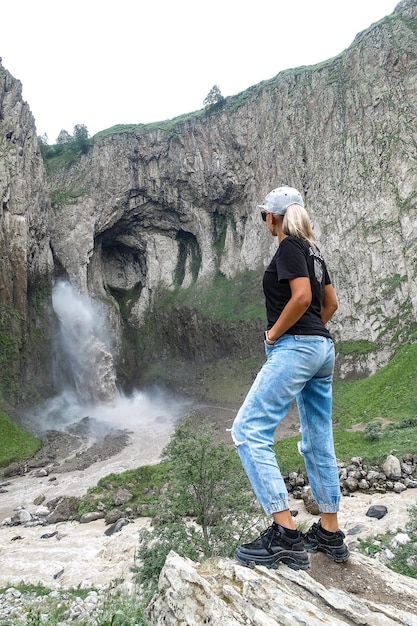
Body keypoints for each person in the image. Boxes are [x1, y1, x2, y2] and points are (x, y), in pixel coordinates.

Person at [231, 185, 349, 570]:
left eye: (265, 214)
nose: (265, 219)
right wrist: (313, 336)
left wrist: (275, 335)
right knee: (318, 439)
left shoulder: (288, 247)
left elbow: (300, 298)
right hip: (322, 350)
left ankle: (285, 535)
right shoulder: (315, 252)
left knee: (248, 431)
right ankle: (329, 533)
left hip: (296, 347)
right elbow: (328, 304)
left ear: (273, 218)